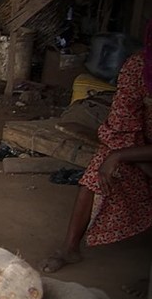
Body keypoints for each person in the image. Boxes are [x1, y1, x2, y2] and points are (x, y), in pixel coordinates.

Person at [41, 22, 152, 274]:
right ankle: (69, 248)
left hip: (131, 151)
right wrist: (129, 157)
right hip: (136, 144)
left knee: (111, 158)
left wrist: (122, 156)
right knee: (96, 171)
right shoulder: (137, 68)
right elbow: (121, 125)